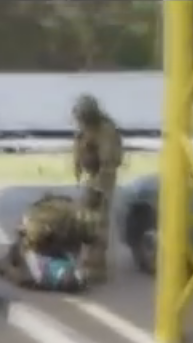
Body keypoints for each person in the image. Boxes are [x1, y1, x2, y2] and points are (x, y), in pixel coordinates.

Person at [0, 194, 98, 292]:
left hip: (43, 239)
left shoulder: (71, 217)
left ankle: (3, 260)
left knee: (36, 267)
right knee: (25, 278)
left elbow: (81, 249)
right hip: (31, 236)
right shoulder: (54, 220)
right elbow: (30, 235)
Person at [72, 93, 123, 284]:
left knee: (98, 223)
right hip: (90, 178)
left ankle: (97, 267)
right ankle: (89, 260)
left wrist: (99, 188)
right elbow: (80, 146)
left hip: (101, 180)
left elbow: (109, 161)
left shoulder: (105, 130)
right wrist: (79, 169)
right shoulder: (86, 128)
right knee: (85, 221)